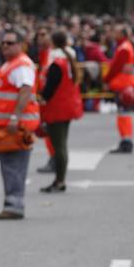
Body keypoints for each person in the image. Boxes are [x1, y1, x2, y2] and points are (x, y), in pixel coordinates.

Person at [0, 31, 40, 220]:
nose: (5, 46)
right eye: (3, 43)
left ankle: (14, 204)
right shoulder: (10, 64)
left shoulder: (21, 65)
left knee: (14, 165)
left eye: (10, 42)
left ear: (21, 45)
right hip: (6, 126)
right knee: (9, 165)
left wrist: (15, 118)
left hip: (16, 126)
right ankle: (12, 203)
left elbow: (25, 90)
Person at [38, 31, 83, 193]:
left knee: (59, 145)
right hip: (67, 105)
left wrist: (41, 98)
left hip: (57, 107)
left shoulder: (57, 63)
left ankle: (59, 180)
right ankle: (60, 179)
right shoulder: (68, 59)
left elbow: (50, 88)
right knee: (61, 144)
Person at [104, 24, 134, 154]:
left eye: (116, 32)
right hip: (125, 83)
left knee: (123, 114)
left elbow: (115, 67)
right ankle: (125, 140)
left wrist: (106, 80)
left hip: (122, 84)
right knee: (124, 113)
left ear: (122, 34)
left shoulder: (123, 48)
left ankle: (126, 141)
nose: (114, 34)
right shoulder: (126, 46)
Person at [34, 27, 56, 174]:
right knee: (47, 130)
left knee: (51, 130)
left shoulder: (54, 54)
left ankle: (55, 158)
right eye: (38, 35)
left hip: (51, 98)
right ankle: (53, 158)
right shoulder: (43, 54)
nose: (39, 38)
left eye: (43, 34)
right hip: (44, 96)